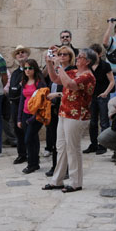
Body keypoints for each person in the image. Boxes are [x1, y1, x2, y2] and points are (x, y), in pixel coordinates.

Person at [42, 47, 96, 193]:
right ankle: (57, 180)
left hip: (77, 115)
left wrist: (59, 66)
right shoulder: (73, 72)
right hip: (64, 113)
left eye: (81, 57)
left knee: (73, 148)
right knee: (61, 147)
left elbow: (70, 85)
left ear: (88, 61)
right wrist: (49, 63)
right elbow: (55, 79)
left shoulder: (88, 76)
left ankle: (75, 182)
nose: (77, 58)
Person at [44, 46, 72, 176]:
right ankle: (55, 166)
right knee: (55, 139)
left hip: (65, 108)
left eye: (65, 54)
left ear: (70, 57)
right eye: (60, 54)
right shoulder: (57, 69)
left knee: (64, 141)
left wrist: (57, 95)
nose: (61, 56)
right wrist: (49, 62)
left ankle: (65, 169)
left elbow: (70, 90)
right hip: (53, 107)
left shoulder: (71, 71)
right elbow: (51, 79)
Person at [84, 43, 115, 155]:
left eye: (94, 53)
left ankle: (103, 145)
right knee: (92, 122)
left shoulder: (105, 65)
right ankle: (93, 144)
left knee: (104, 122)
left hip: (102, 96)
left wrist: (106, 93)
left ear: (99, 54)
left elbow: (112, 81)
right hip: (91, 97)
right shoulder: (87, 66)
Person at [17, 59, 46, 174]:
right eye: (25, 68)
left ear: (35, 69)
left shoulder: (39, 83)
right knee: (33, 139)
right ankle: (35, 162)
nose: (27, 70)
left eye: (30, 68)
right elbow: (22, 100)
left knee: (28, 139)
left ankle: (31, 164)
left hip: (36, 115)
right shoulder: (24, 82)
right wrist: (19, 118)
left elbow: (42, 102)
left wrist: (33, 118)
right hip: (25, 113)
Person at [6, 45, 31, 165]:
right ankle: (22, 154)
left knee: (29, 131)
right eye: (18, 53)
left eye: (23, 52)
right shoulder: (15, 73)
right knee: (18, 130)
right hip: (16, 105)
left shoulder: (31, 70)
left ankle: (32, 154)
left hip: (28, 105)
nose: (20, 54)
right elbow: (12, 90)